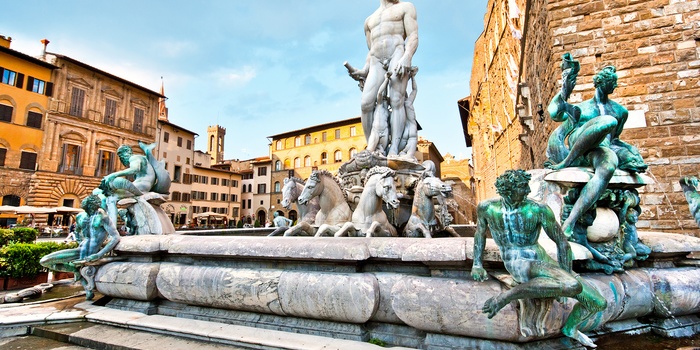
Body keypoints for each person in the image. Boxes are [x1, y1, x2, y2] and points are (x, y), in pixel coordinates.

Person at [472, 170, 607, 348]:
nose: (527, 191)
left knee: (598, 302)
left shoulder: (538, 209)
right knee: (572, 285)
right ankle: (505, 297)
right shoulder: (487, 208)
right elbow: (479, 234)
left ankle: (570, 329)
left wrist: (564, 280)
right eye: (521, 187)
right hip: (520, 264)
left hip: (542, 261)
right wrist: (477, 264)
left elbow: (562, 243)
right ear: (507, 190)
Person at [545, 53, 646, 238]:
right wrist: (565, 86)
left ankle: (570, 221)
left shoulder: (620, 111)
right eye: (612, 82)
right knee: (607, 121)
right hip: (579, 148)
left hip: (600, 151)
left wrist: (631, 152)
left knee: (609, 165)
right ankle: (566, 161)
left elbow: (614, 139)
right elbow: (555, 113)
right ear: (601, 82)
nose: (615, 86)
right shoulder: (582, 108)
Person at [346, 0, 418, 157]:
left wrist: (407, 56)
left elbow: (413, 36)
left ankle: (394, 149)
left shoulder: (406, 7)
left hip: (397, 53)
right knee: (366, 103)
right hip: (376, 60)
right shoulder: (369, 20)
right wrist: (364, 70)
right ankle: (373, 149)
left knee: (396, 100)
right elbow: (371, 50)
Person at [40, 194, 121, 300]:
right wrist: (79, 241)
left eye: (88, 207)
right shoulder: (81, 216)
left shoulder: (103, 217)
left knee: (46, 261)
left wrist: (99, 254)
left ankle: (85, 284)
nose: (86, 210)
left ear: (93, 205)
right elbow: (77, 231)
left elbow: (116, 237)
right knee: (45, 261)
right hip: (80, 250)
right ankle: (75, 270)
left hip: (92, 253)